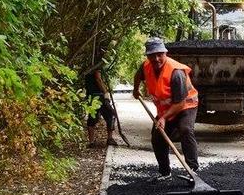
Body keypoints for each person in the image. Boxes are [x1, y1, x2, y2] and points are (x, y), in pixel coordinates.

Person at [132, 37, 200, 182]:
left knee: (186, 129)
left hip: (186, 105)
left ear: (165, 53)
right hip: (166, 109)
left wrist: (163, 118)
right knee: (157, 137)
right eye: (152, 55)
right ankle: (165, 172)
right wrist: (135, 89)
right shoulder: (146, 66)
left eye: (159, 54)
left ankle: (192, 170)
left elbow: (180, 103)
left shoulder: (176, 73)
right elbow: (138, 75)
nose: (156, 58)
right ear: (147, 56)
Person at [84, 60, 116, 148]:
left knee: (92, 117)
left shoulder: (86, 66)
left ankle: (91, 141)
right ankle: (109, 139)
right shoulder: (96, 65)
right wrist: (105, 92)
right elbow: (98, 79)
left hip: (91, 95)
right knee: (111, 115)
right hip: (98, 96)